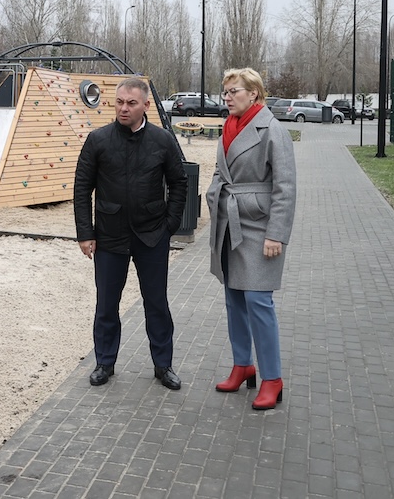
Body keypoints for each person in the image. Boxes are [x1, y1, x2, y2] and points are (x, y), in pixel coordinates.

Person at [74, 77, 189, 390]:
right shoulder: (98, 140)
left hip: (152, 235)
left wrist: (170, 224)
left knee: (157, 304)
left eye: (131, 103)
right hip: (109, 237)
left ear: (146, 106)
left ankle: (163, 366)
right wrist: (85, 233)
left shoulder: (162, 140)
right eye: (120, 102)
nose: (124, 108)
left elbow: (179, 183)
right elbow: (82, 187)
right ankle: (104, 363)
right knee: (106, 305)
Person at [206, 67, 296, 411]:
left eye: (234, 91)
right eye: (225, 92)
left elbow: (286, 188)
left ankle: (272, 378)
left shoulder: (272, 130)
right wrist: (214, 194)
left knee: (259, 303)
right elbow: (221, 171)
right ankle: (243, 365)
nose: (227, 97)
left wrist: (277, 234)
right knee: (234, 300)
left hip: (259, 228)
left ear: (253, 94)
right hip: (230, 224)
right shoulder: (228, 129)